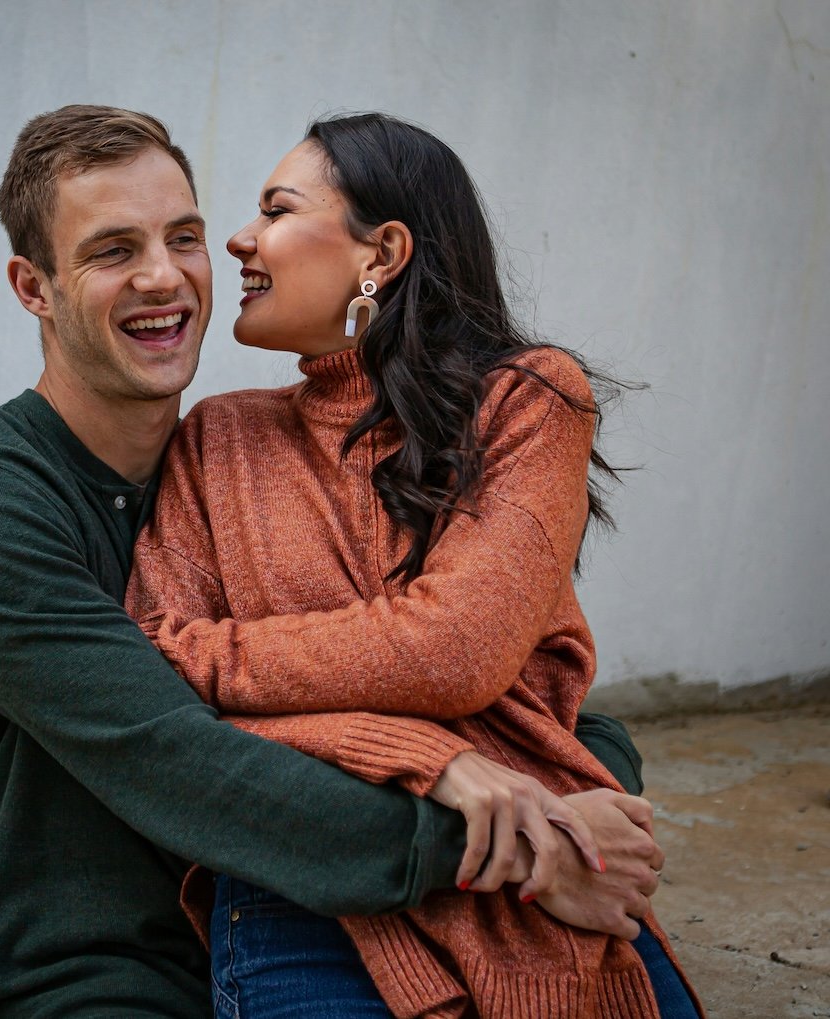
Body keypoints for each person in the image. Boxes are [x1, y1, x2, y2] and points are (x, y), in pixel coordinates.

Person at [0, 104, 667, 1018]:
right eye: (112, 251)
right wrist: (510, 832)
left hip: (312, 919)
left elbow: (496, 680)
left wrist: (576, 773)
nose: (166, 274)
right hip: (98, 974)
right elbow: (179, 756)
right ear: (34, 288)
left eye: (182, 236)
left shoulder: (223, 459)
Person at [126, 113, 703, 1017]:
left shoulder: (527, 400)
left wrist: (219, 660)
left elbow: (453, 649)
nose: (238, 238)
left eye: (276, 209)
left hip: (543, 874)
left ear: (382, 253)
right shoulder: (218, 437)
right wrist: (425, 752)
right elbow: (157, 683)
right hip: (304, 887)